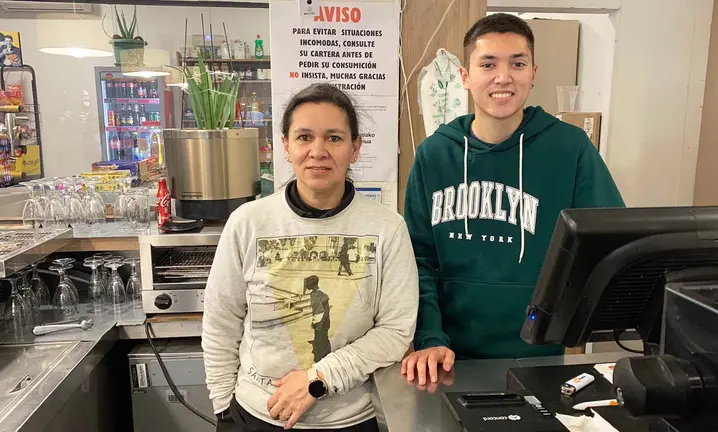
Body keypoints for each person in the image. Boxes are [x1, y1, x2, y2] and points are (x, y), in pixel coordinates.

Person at [401, 13, 625, 385]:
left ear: (533, 73)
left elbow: (611, 244)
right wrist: (429, 336)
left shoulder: (570, 150)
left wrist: (575, 321)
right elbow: (418, 261)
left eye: (517, 64)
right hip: (447, 360)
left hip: (541, 361)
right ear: (465, 76)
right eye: (488, 64)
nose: (503, 77)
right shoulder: (433, 156)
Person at [202, 82, 418, 432]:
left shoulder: (388, 229)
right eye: (304, 137)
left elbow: (395, 332)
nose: (318, 151)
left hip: (351, 421)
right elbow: (220, 322)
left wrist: (318, 379)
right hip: (254, 416)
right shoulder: (248, 222)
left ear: (355, 148)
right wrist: (223, 406)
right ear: (285, 146)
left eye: (334, 138)